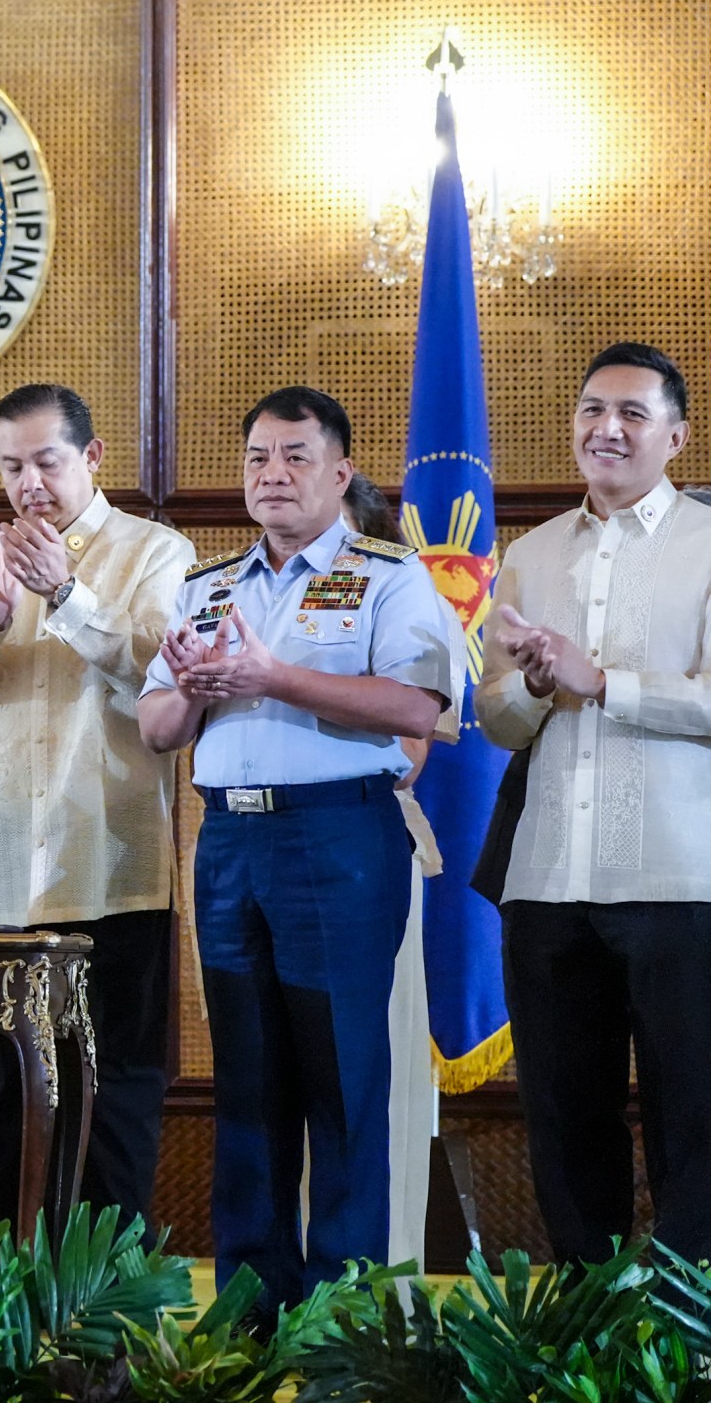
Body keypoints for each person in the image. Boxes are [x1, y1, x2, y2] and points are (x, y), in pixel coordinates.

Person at [138, 386, 451, 1314]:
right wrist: (196, 689)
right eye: (257, 460)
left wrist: (274, 675)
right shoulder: (208, 586)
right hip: (230, 837)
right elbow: (158, 726)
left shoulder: (390, 576)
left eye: (296, 458)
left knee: (342, 1079)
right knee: (247, 1080)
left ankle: (342, 1318)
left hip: (340, 836)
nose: (273, 476)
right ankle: (250, 1310)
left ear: (339, 472)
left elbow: (417, 709)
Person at [0, 382, 192, 1234]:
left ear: (92, 458)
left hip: (113, 869)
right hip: (1, 880)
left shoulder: (154, 552)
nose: (30, 482)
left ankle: (105, 1296)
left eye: (47, 461)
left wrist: (67, 597)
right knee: (8, 1096)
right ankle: (10, 1287)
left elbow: (160, 680)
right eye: (12, 465)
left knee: (116, 1093)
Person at [481, 342, 711, 1267]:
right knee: (565, 1120)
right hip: (546, 884)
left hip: (677, 875)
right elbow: (497, 720)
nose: (604, 429)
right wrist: (536, 686)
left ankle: (685, 1339)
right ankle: (586, 1319)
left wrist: (602, 679)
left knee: (691, 1116)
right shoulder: (530, 554)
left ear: (676, 438)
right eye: (590, 411)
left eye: (630, 413)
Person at [342, 468, 455, 1271]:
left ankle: (383, 1291)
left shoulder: (405, 601)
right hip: (255, 858)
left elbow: (408, 750)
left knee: (373, 1084)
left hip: (369, 850)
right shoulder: (243, 597)